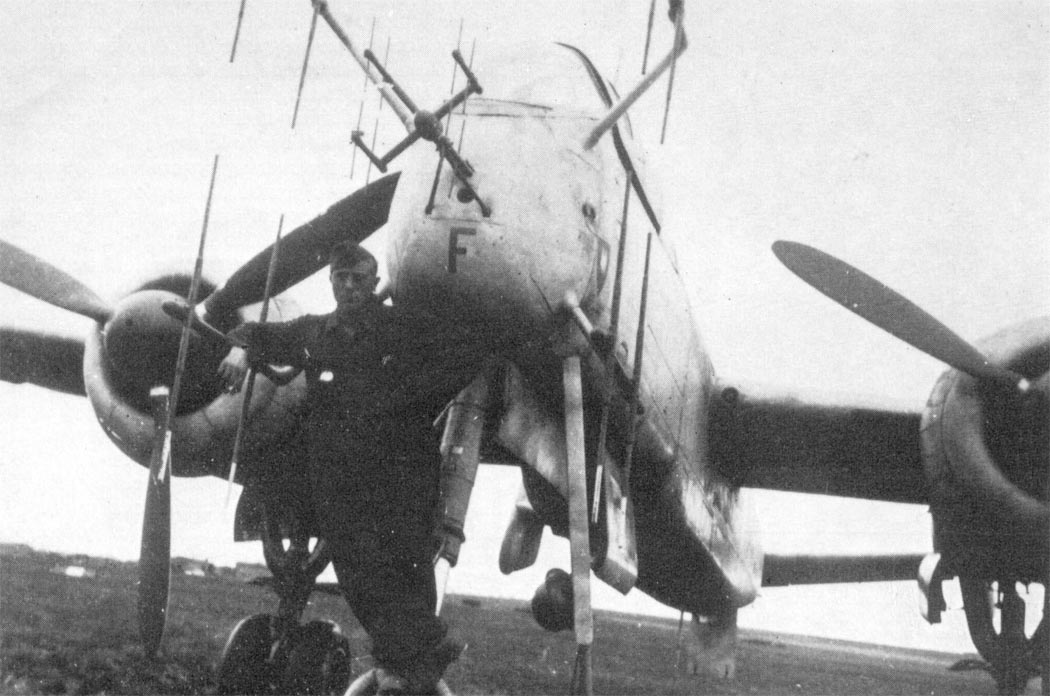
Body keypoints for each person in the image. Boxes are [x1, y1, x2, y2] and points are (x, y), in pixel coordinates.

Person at [218, 242, 480, 694]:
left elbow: (464, 354)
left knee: (406, 572)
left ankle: (413, 665)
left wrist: (414, 404)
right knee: (358, 579)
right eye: (342, 278)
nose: (350, 287)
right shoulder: (316, 332)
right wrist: (241, 347)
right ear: (332, 281)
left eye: (360, 279)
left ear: (374, 283)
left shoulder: (401, 327)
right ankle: (417, 660)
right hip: (340, 481)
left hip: (399, 475)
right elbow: (261, 333)